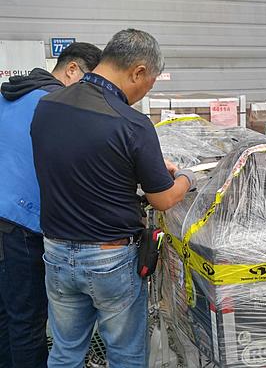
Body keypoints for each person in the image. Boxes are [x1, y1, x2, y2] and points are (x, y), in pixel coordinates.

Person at [30, 29, 194, 368]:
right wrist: (187, 178)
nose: (143, 92)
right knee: (126, 354)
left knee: (64, 352)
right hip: (110, 260)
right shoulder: (132, 123)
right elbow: (163, 199)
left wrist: (138, 165)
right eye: (147, 83)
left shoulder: (47, 106)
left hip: (57, 253)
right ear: (137, 72)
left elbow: (77, 158)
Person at [0, 42, 101, 368]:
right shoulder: (57, 105)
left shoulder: (8, 96)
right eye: (89, 82)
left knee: (6, 316)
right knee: (28, 322)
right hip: (21, 226)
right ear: (72, 69)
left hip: (5, 216)